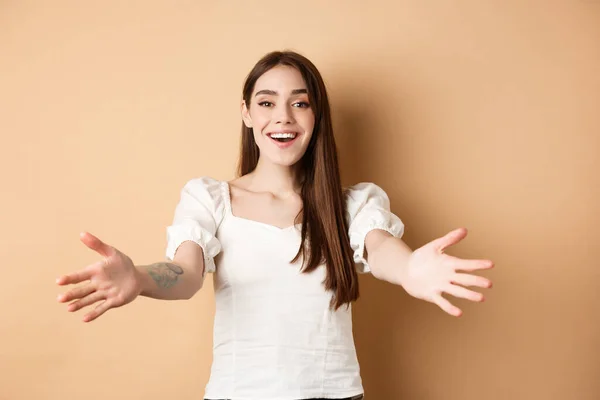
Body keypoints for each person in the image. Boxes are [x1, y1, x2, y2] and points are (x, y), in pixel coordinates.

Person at [56, 50, 493, 400]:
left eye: (299, 103)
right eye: (267, 103)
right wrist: (139, 277)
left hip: (336, 394)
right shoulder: (211, 199)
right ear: (247, 114)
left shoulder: (353, 205)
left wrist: (411, 268)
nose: (282, 117)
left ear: (316, 116)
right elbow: (185, 274)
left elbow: (381, 251)